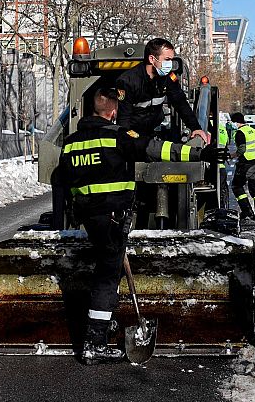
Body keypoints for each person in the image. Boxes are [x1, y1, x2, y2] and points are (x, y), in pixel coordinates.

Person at [59, 88, 227, 365]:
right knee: (107, 274)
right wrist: (198, 154)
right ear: (113, 112)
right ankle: (94, 341)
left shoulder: (72, 143)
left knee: (105, 264)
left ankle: (106, 322)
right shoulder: (118, 136)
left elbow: (64, 179)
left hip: (89, 216)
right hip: (114, 215)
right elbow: (155, 149)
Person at [114, 37, 210, 143]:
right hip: (134, 134)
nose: (170, 64)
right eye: (167, 60)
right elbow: (124, 118)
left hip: (154, 131)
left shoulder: (168, 78)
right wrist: (127, 142)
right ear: (152, 59)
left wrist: (196, 128)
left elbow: (181, 103)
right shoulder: (127, 81)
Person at [230, 112, 255, 221]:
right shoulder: (251, 130)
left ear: (236, 122)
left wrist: (233, 155)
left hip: (245, 163)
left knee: (237, 186)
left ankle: (247, 210)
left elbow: (242, 149)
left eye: (232, 122)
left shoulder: (240, 132)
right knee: (254, 187)